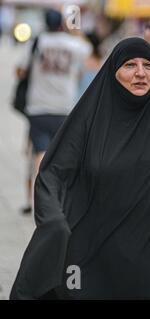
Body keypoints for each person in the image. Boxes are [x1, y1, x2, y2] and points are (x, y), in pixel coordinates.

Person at [10, 37, 150, 299]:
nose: (140, 73)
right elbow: (53, 173)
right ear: (113, 71)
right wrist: (54, 223)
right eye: (129, 65)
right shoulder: (88, 122)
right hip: (96, 264)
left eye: (148, 65)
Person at [15, 9, 91, 203]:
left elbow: (20, 71)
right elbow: (88, 53)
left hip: (38, 105)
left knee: (40, 151)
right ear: (61, 24)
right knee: (60, 153)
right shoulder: (74, 45)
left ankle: (39, 193)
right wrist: (73, 30)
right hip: (64, 106)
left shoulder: (37, 42)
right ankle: (56, 194)